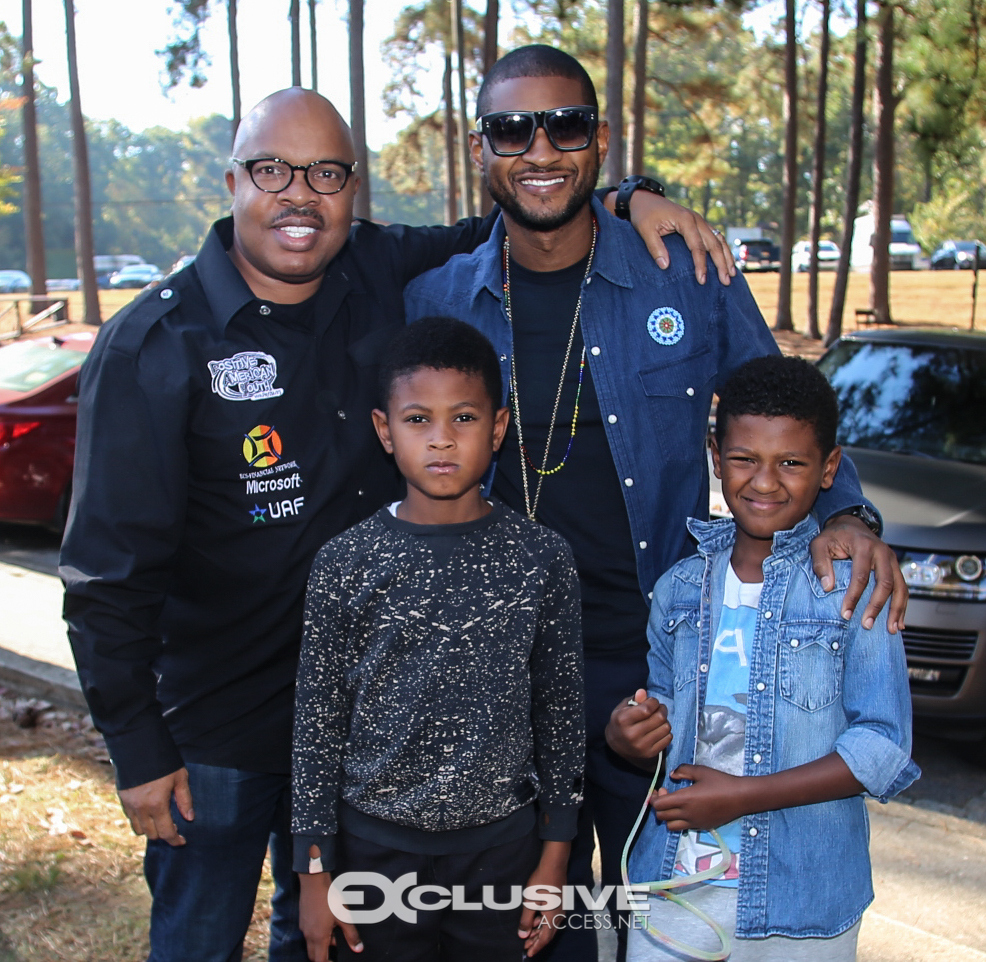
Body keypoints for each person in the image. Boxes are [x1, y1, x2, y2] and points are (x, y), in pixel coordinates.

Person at [59, 85, 729, 961]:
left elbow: (526, 197)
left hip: (370, 732)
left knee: (334, 944)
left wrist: (628, 192)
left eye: (326, 174)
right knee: (198, 943)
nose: (300, 195)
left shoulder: (379, 271)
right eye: (272, 170)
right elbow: (107, 573)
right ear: (231, 181)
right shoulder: (156, 343)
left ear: (354, 190)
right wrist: (138, 748)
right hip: (222, 728)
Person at [403, 44, 907, 962]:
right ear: (481, 149)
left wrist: (848, 515)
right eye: (512, 129)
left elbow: (780, 402)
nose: (539, 148)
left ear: (598, 139)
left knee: (667, 910)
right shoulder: (438, 296)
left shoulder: (683, 271)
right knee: (528, 920)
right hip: (507, 665)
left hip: (663, 662)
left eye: (563, 124)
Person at [606, 354, 919, 961]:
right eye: (745, 458)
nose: (765, 481)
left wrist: (743, 795)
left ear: (829, 468)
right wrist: (631, 732)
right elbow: (668, 707)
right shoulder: (679, 587)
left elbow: (882, 747)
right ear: (715, 456)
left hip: (803, 897)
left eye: (792, 463)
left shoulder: (854, 586)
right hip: (676, 885)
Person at [291, 316, 583, 961]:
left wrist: (555, 857)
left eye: (465, 419)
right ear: (384, 431)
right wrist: (314, 872)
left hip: (504, 854)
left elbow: (560, 715)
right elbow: (317, 723)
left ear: (499, 428)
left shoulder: (541, 558)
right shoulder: (345, 561)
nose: (442, 440)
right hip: (374, 854)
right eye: (418, 419)